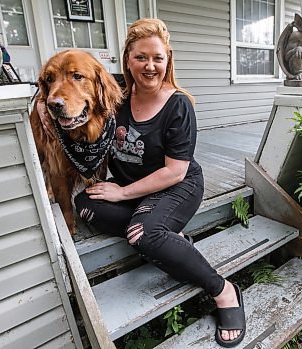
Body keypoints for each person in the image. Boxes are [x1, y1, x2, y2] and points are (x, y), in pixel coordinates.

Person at [73, 18, 246, 347]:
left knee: (142, 234)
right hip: (137, 189)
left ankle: (223, 291)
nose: (149, 66)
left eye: (157, 58)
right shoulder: (116, 99)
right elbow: (73, 98)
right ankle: (163, 231)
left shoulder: (178, 105)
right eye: (141, 57)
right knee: (85, 205)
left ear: (168, 61)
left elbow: (175, 172)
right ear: (127, 59)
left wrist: (122, 192)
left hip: (177, 186)